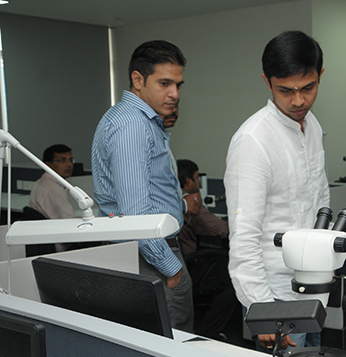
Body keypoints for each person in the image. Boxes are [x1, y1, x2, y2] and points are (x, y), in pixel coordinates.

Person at [224, 30, 329, 352]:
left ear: (320, 75)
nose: (298, 101)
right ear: (267, 82)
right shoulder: (253, 140)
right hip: (275, 295)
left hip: (314, 287)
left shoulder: (312, 127)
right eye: (285, 90)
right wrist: (261, 307)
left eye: (308, 88)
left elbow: (320, 199)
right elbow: (244, 234)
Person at [91, 40, 193, 332]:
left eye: (178, 85)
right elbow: (135, 215)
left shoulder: (137, 120)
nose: (174, 94)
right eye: (164, 83)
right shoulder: (132, 125)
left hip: (146, 254)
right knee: (172, 346)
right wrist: (171, 269)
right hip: (150, 257)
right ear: (138, 79)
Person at [176, 159, 237, 340]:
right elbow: (220, 230)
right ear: (188, 181)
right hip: (190, 264)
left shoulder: (172, 200)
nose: (198, 182)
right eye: (196, 178)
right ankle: (207, 333)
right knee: (233, 284)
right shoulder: (190, 202)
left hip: (179, 263)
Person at [28, 144, 75, 252]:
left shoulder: (41, 182)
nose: (69, 165)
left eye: (70, 160)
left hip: (46, 239)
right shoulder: (53, 189)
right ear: (48, 165)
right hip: (59, 246)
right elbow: (70, 223)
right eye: (62, 160)